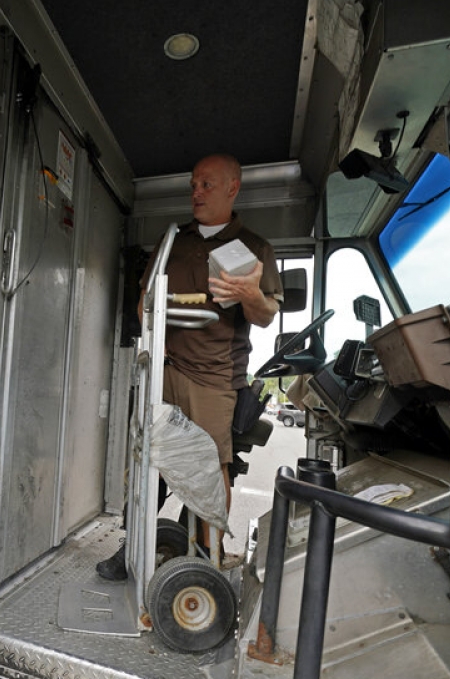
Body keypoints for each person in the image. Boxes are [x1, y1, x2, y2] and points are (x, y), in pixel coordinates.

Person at [98, 153, 282, 580]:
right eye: (193, 185)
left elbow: (265, 314)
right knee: (149, 460)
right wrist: (148, 304)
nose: (196, 192)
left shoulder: (253, 249)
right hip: (161, 368)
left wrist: (250, 294)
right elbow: (145, 300)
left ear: (233, 188)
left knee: (210, 466)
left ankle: (209, 558)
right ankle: (133, 548)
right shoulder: (173, 241)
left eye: (207, 185)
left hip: (213, 377)